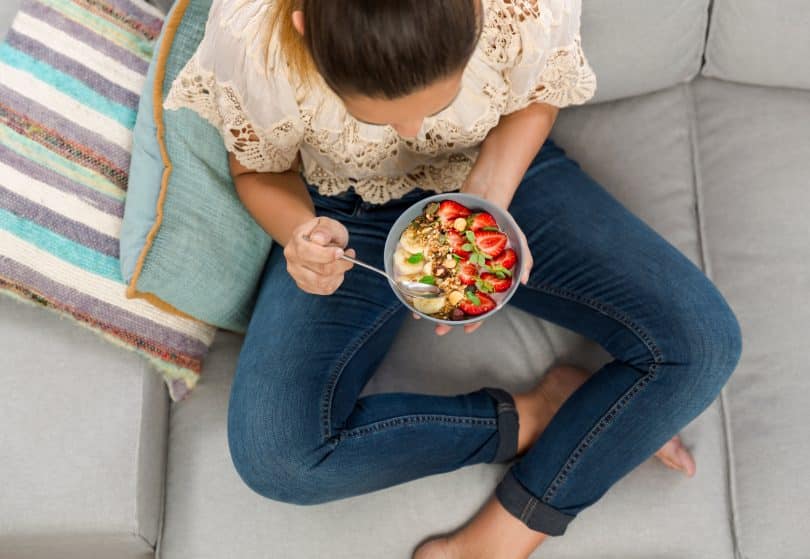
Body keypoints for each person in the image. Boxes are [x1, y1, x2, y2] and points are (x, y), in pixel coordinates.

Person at [164, 0, 742, 557]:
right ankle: (544, 412)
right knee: (279, 458)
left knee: (702, 342)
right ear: (305, 31)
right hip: (345, 211)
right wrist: (301, 237)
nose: (412, 131)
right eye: (382, 113)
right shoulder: (250, 34)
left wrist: (486, 203)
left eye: (436, 100)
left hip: (493, 166)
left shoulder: (520, 4)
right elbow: (258, 169)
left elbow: (537, 96)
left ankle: (500, 540)